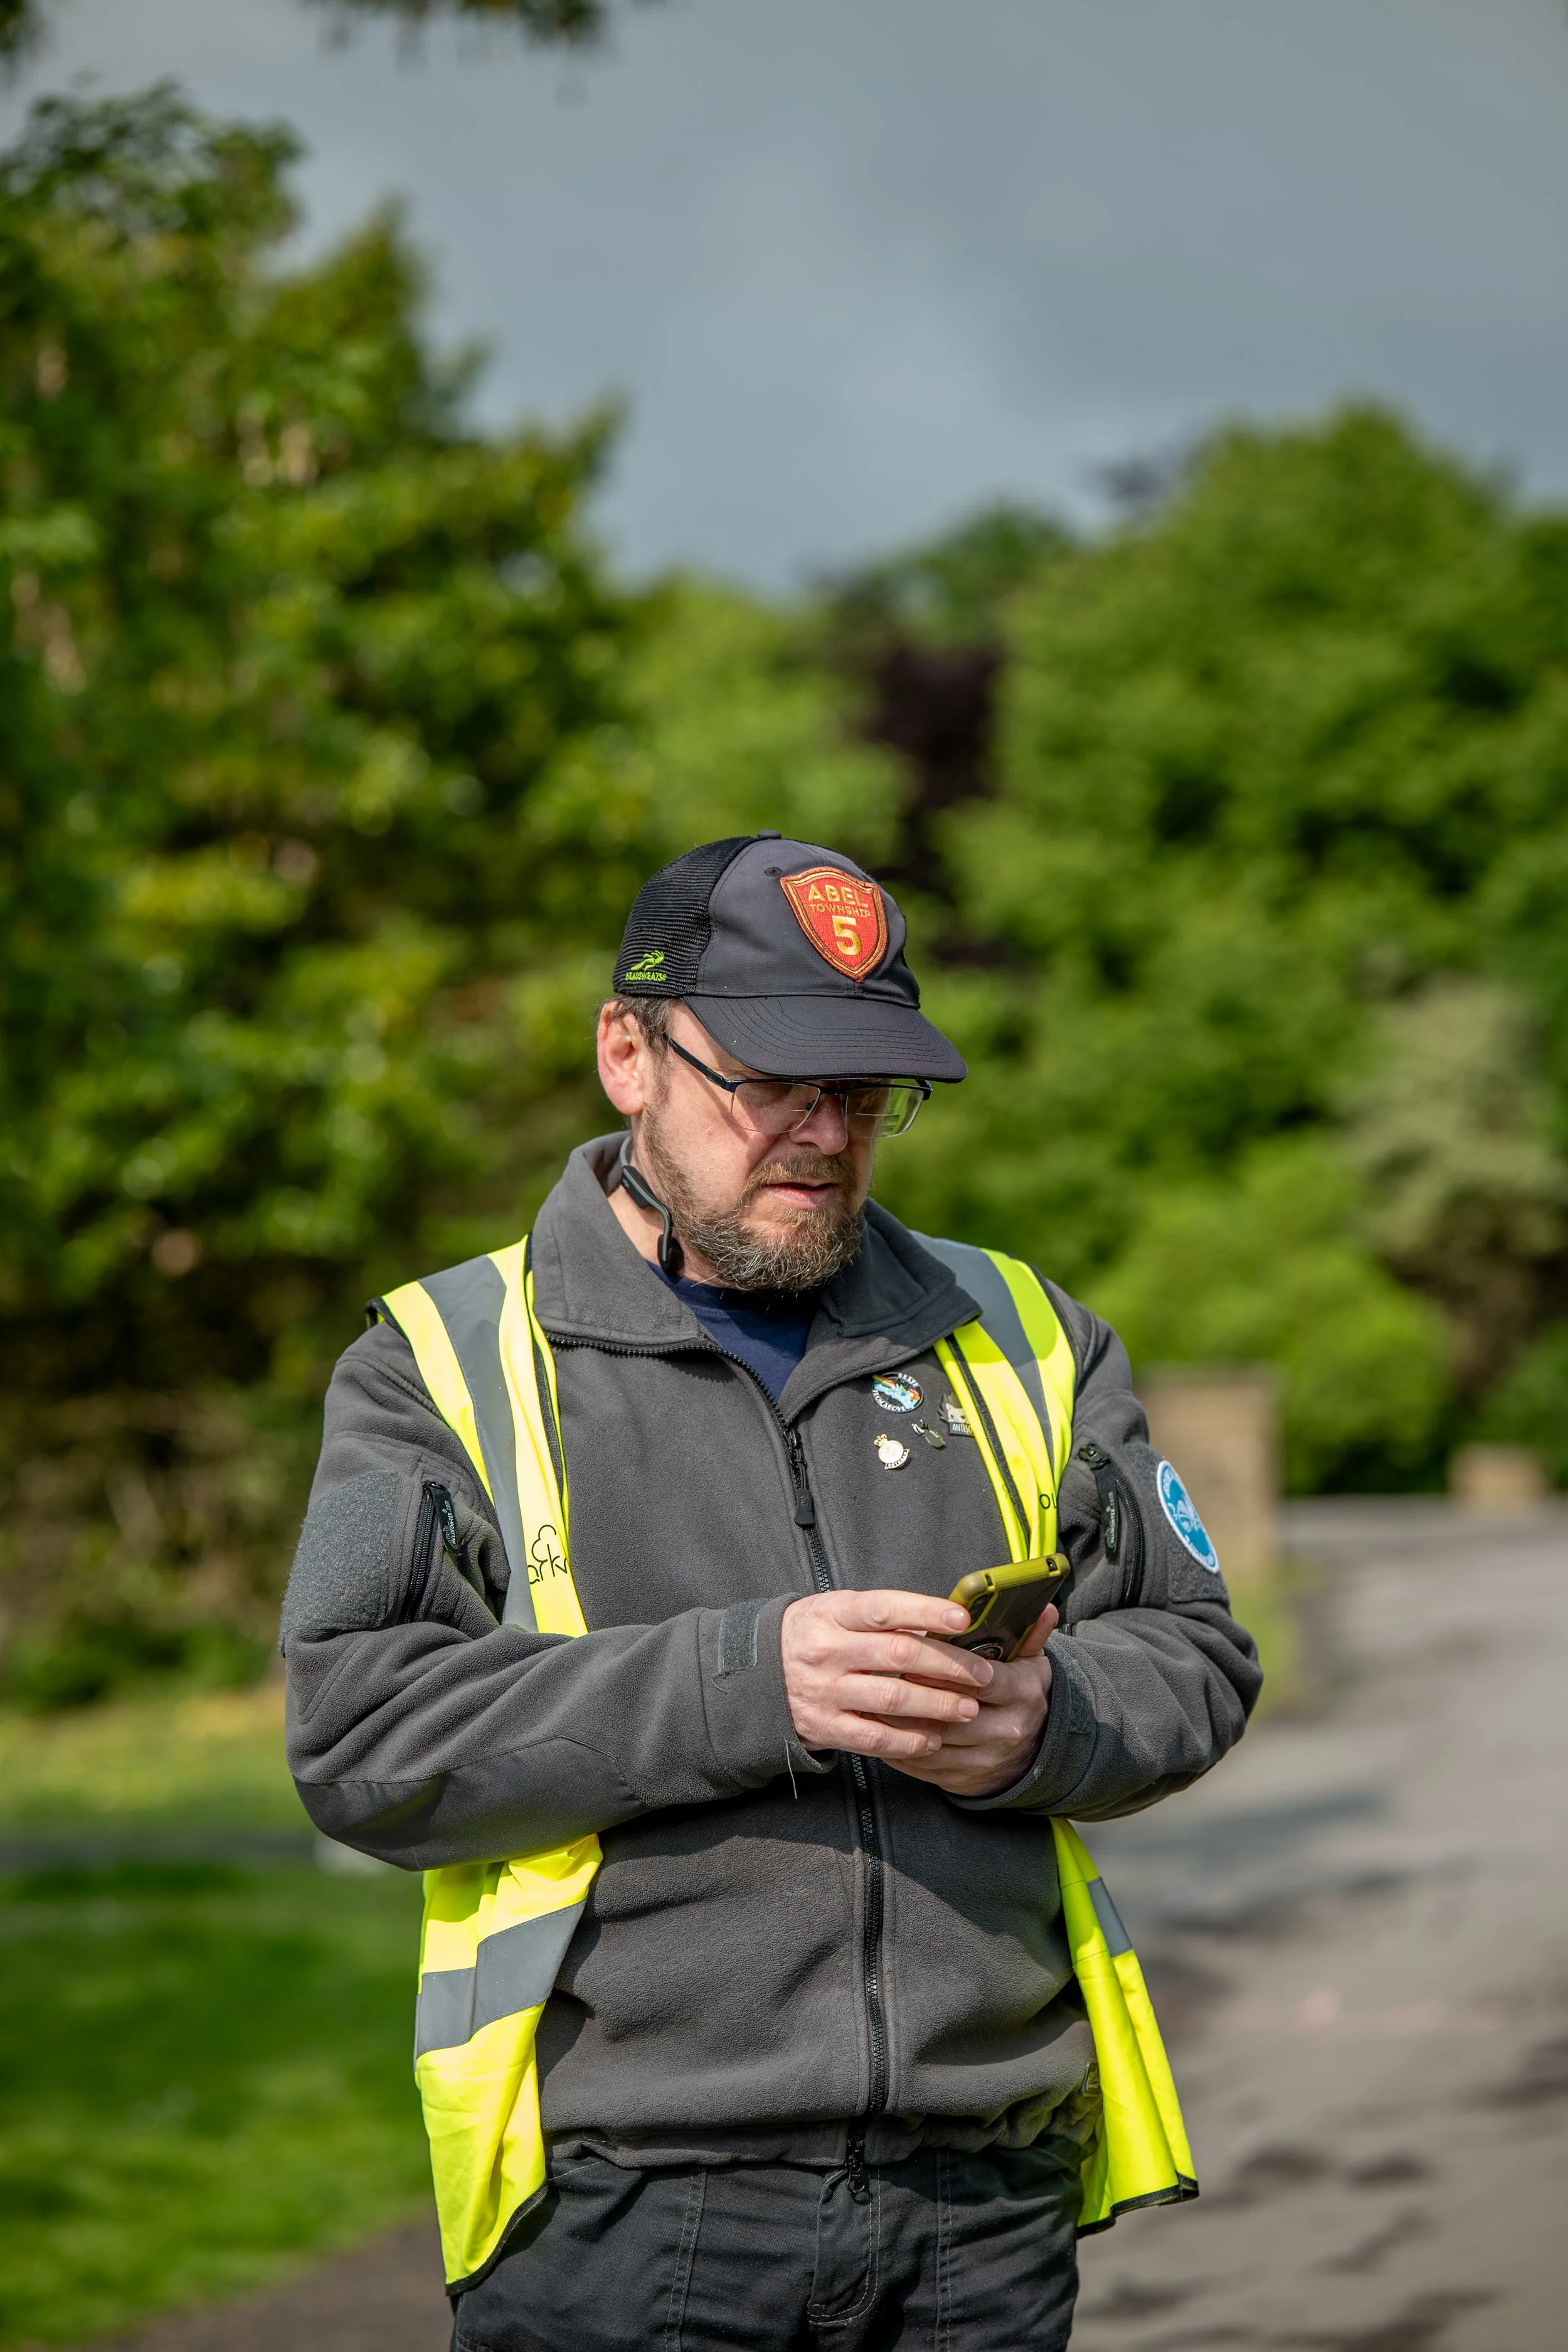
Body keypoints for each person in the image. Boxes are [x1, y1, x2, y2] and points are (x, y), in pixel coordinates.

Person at [281, 832, 1262, 2352]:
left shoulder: (1022, 1331)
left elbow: (1194, 1653)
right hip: (629, 2217)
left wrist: (1042, 1724)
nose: (822, 1132)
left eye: (865, 1092)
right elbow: (362, 1742)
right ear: (628, 1054)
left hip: (984, 2209)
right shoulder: (439, 1360)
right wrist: (752, 1683)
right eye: (772, 1082)